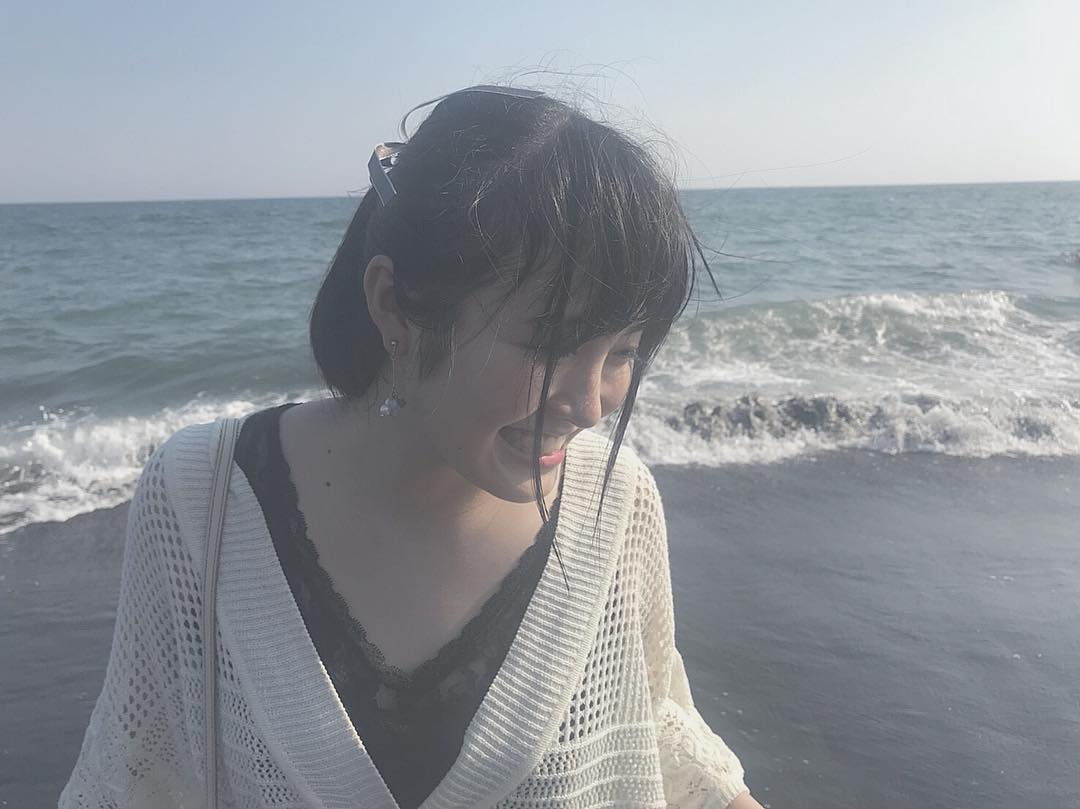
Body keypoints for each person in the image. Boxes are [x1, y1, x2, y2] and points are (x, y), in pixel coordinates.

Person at [59, 86, 764, 809]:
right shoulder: (202, 499)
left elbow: (661, 735)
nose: (590, 406)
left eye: (623, 351)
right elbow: (135, 770)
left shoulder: (615, 506)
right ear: (394, 304)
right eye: (552, 343)